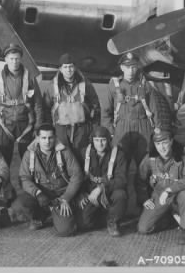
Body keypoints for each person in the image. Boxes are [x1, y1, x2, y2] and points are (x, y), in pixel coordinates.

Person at [106, 52, 160, 209]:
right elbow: (106, 111)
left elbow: (155, 110)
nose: (131, 71)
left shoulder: (145, 85)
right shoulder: (114, 85)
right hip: (122, 131)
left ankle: (147, 205)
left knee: (145, 169)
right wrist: (111, 132)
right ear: (122, 67)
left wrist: (157, 131)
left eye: (134, 67)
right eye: (127, 67)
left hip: (143, 129)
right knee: (119, 170)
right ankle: (118, 209)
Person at [11, 123, 84, 237]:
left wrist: (66, 197)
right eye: (43, 138)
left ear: (55, 137)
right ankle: (40, 216)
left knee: (66, 230)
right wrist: (37, 193)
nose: (47, 141)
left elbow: (77, 175)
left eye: (50, 138)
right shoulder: (29, 154)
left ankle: (61, 212)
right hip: (41, 194)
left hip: (60, 194)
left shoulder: (64, 152)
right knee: (18, 205)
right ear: (37, 138)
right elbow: (24, 178)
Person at [137, 128, 185, 245]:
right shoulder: (150, 158)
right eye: (158, 144)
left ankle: (184, 229)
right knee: (143, 228)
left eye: (165, 142)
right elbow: (140, 178)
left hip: (179, 195)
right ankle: (170, 218)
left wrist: (169, 190)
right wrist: (144, 198)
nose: (162, 147)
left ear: (171, 141)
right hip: (160, 197)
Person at [0, 43, 43, 167]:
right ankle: (4, 185)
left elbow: (38, 104)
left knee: (29, 162)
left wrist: (38, 125)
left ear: (21, 59)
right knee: (2, 163)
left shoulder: (29, 78)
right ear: (6, 59)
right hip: (4, 125)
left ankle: (29, 186)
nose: (14, 62)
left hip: (25, 125)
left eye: (17, 58)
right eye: (11, 59)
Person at [43, 53, 100, 163]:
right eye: (65, 67)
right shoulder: (52, 86)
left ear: (75, 67)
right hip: (61, 129)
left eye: (71, 66)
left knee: (82, 158)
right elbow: (46, 108)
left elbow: (96, 106)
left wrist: (94, 128)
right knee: (62, 158)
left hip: (82, 129)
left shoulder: (85, 84)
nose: (68, 70)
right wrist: (50, 129)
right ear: (60, 68)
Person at [78, 126, 128, 236]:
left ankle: (113, 221)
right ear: (92, 141)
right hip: (90, 193)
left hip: (110, 191)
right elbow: (77, 177)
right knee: (84, 224)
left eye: (103, 140)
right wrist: (81, 194)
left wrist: (101, 188)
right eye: (96, 140)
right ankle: (104, 215)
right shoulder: (84, 153)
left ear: (109, 140)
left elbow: (122, 180)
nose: (100, 144)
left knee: (121, 195)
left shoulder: (119, 154)